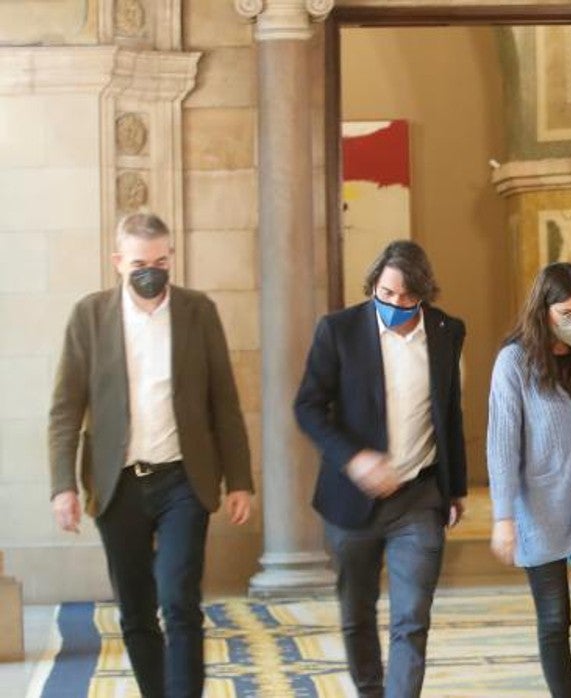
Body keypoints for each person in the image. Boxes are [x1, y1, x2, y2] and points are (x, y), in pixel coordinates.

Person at [48, 212, 254, 698]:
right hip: (117, 483)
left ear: (171, 258)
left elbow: (223, 401)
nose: (152, 271)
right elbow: (64, 409)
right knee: (136, 609)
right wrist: (63, 486)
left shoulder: (197, 311)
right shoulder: (89, 317)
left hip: (183, 478)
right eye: (140, 262)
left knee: (180, 598)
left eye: (161, 261)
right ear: (118, 261)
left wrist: (240, 479)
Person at [294, 240, 467, 698]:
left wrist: (456, 487)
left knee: (412, 619)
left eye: (407, 298)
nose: (394, 305)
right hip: (351, 501)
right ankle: (370, 690)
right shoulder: (338, 331)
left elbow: (450, 410)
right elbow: (308, 408)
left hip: (419, 496)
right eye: (386, 294)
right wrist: (354, 458)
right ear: (374, 286)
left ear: (424, 295)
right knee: (357, 614)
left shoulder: (448, 332)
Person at [487, 262, 571, 698]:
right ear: (542, 310)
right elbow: (503, 444)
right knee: (553, 619)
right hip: (540, 505)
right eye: (566, 313)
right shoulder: (514, 362)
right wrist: (503, 516)